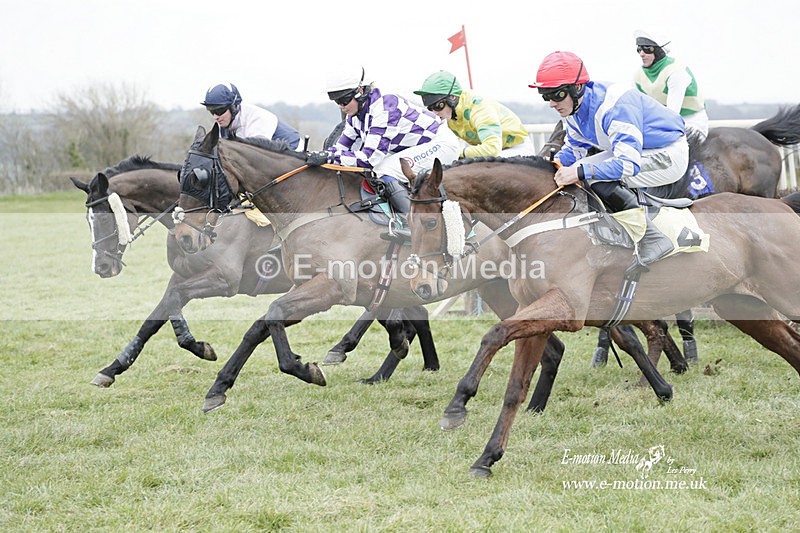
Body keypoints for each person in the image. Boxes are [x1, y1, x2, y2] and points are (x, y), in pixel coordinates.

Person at [529, 50, 689, 274]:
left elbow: (628, 165)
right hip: (637, 151)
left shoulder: (615, 107)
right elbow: (574, 152)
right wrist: (542, 167)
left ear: (577, 88)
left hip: (667, 154)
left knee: (590, 175)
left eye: (557, 94)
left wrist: (580, 172)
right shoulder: (573, 111)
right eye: (546, 96)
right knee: (580, 171)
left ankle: (652, 238)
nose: (552, 103)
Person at [306, 66, 461, 241]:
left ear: (360, 91)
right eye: (337, 102)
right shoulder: (355, 115)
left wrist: (329, 157)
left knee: (383, 170)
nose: (342, 106)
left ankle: (413, 225)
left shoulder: (384, 107)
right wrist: (318, 156)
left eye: (344, 100)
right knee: (376, 169)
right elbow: (340, 148)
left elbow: (368, 159)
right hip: (415, 147)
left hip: (441, 144)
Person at [413, 70, 535, 158]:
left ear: (452, 98)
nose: (435, 113)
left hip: (516, 149)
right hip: (495, 151)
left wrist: (456, 152)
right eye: (430, 108)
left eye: (438, 106)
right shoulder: (447, 114)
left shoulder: (479, 108)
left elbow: (492, 149)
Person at [633, 30, 708, 141]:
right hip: (663, 125)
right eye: (639, 49)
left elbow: (672, 115)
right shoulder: (638, 75)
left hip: (691, 124)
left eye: (647, 49)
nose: (641, 54)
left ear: (659, 51)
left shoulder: (676, 72)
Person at [201, 83, 301, 150]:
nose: (215, 117)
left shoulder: (257, 120)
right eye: (212, 112)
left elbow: (255, 158)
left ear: (234, 106)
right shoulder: (223, 123)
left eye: (219, 111)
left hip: (294, 152)